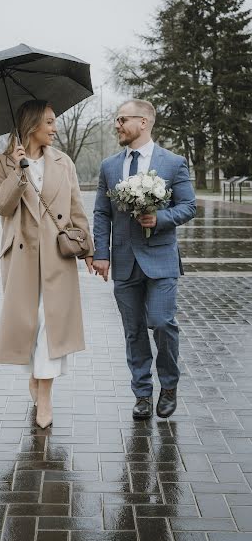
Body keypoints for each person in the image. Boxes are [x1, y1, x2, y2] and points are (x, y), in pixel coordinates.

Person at [0, 99, 93, 428]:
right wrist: (19, 174)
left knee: (51, 323)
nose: (55, 128)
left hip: (56, 255)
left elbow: (75, 209)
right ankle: (34, 375)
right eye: (49, 122)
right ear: (32, 125)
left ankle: (45, 395)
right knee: (27, 324)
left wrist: (88, 249)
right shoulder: (3, 162)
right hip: (20, 255)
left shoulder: (63, 162)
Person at [93, 99, 196, 420]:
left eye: (123, 119)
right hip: (124, 261)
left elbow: (189, 206)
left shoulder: (173, 163)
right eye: (117, 120)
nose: (117, 125)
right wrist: (101, 254)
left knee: (163, 323)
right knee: (134, 330)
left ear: (144, 122)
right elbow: (100, 212)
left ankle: (169, 385)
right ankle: (141, 393)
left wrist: (159, 218)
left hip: (161, 260)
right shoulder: (109, 166)